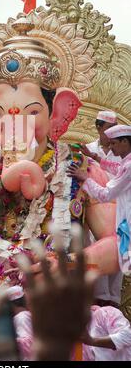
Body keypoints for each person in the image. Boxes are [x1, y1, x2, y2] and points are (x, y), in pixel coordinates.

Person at [68, 124, 131, 322]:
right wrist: (95, 159)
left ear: (125, 142)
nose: (111, 148)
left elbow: (106, 194)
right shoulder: (127, 161)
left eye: (114, 144)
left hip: (123, 220)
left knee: (111, 262)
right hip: (120, 220)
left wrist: (85, 178)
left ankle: (105, 318)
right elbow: (116, 167)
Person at [82, 111, 122, 308]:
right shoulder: (86, 150)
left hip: (120, 208)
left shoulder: (123, 151)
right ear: (98, 128)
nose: (112, 133)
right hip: (94, 210)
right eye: (108, 129)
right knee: (94, 248)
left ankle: (112, 303)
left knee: (119, 249)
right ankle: (97, 300)